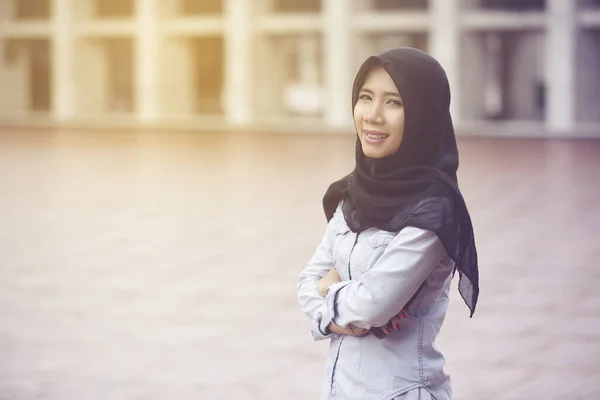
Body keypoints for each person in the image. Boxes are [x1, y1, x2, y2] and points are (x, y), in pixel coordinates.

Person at [296, 47, 480, 400]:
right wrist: (339, 304)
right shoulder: (353, 194)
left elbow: (371, 306)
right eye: (366, 97)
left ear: (423, 114)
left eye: (394, 102)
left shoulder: (433, 210)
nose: (373, 116)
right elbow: (308, 281)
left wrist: (329, 290)